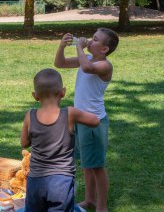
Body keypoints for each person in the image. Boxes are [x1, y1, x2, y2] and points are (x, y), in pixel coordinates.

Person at [54, 28, 119, 212]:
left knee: (97, 166)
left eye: (95, 39)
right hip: (80, 121)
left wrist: (80, 48)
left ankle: (102, 207)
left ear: (104, 49)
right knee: (86, 163)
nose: (90, 40)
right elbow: (60, 63)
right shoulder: (88, 58)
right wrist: (62, 46)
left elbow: (87, 68)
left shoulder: (105, 65)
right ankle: (90, 200)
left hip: (94, 122)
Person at [21, 68, 100, 212]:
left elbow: (24, 143)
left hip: (36, 180)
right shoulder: (70, 114)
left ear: (35, 96)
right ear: (63, 92)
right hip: (61, 181)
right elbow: (95, 121)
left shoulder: (29, 115)